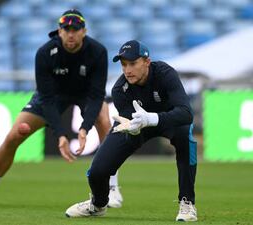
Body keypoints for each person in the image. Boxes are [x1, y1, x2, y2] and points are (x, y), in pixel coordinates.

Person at [0, 9, 123, 208]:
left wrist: (84, 128)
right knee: (13, 136)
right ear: (59, 31)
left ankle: (112, 188)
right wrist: (61, 135)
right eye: (66, 29)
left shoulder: (97, 51)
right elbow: (46, 98)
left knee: (105, 123)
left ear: (84, 31)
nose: (71, 34)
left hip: (86, 94)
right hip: (53, 96)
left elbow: (97, 95)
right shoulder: (45, 53)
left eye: (76, 29)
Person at [65, 40, 198, 222]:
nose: (127, 70)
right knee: (97, 171)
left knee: (186, 138)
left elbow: (186, 113)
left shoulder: (165, 74)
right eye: (124, 64)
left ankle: (187, 203)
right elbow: (127, 120)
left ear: (147, 62)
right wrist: (133, 130)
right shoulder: (120, 89)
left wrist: (152, 118)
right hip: (137, 125)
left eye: (133, 63)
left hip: (170, 120)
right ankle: (97, 204)